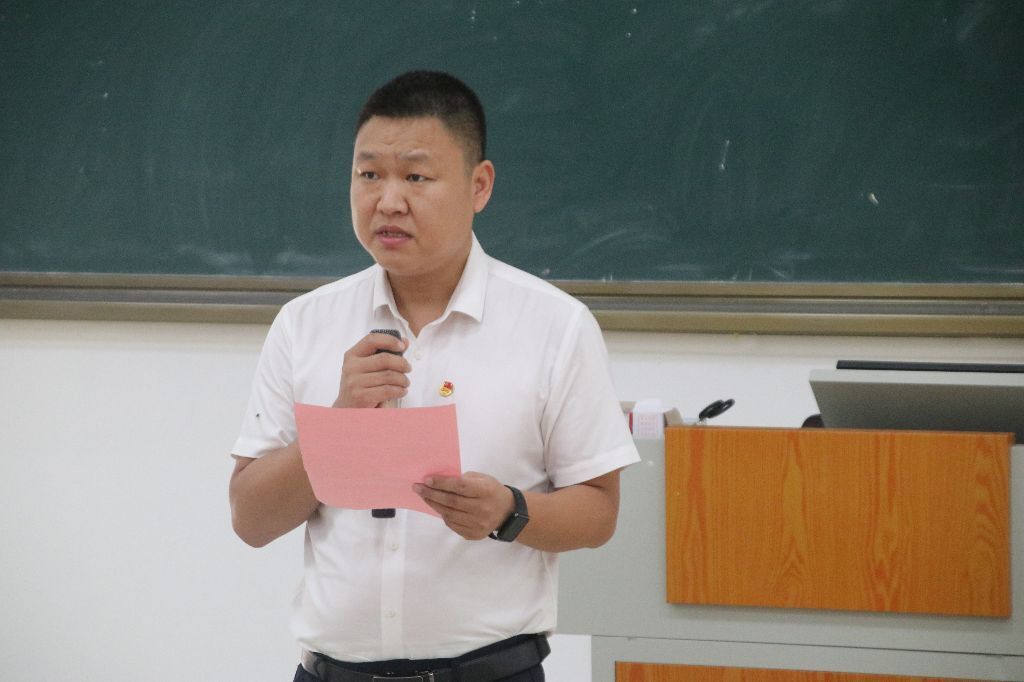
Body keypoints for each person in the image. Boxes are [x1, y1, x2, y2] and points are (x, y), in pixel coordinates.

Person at [229, 70, 640, 682]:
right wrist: (339, 422)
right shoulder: (304, 324)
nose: (388, 201)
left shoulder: (554, 325)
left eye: (416, 177)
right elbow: (251, 519)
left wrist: (510, 512)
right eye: (369, 175)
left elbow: (599, 512)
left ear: (480, 185)